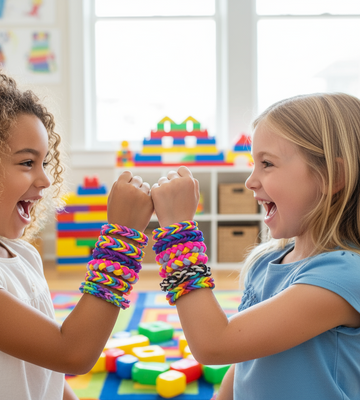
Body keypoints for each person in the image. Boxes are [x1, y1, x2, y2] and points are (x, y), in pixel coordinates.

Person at [0, 66, 154, 400]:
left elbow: (45, 362)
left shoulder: (22, 254)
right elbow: (71, 352)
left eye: (45, 163)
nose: (46, 180)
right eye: (26, 163)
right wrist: (122, 238)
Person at [151, 93, 360, 399]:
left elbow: (214, 343)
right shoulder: (268, 261)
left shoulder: (342, 277)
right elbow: (245, 358)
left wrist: (178, 236)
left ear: (332, 176)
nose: (250, 181)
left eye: (267, 164)